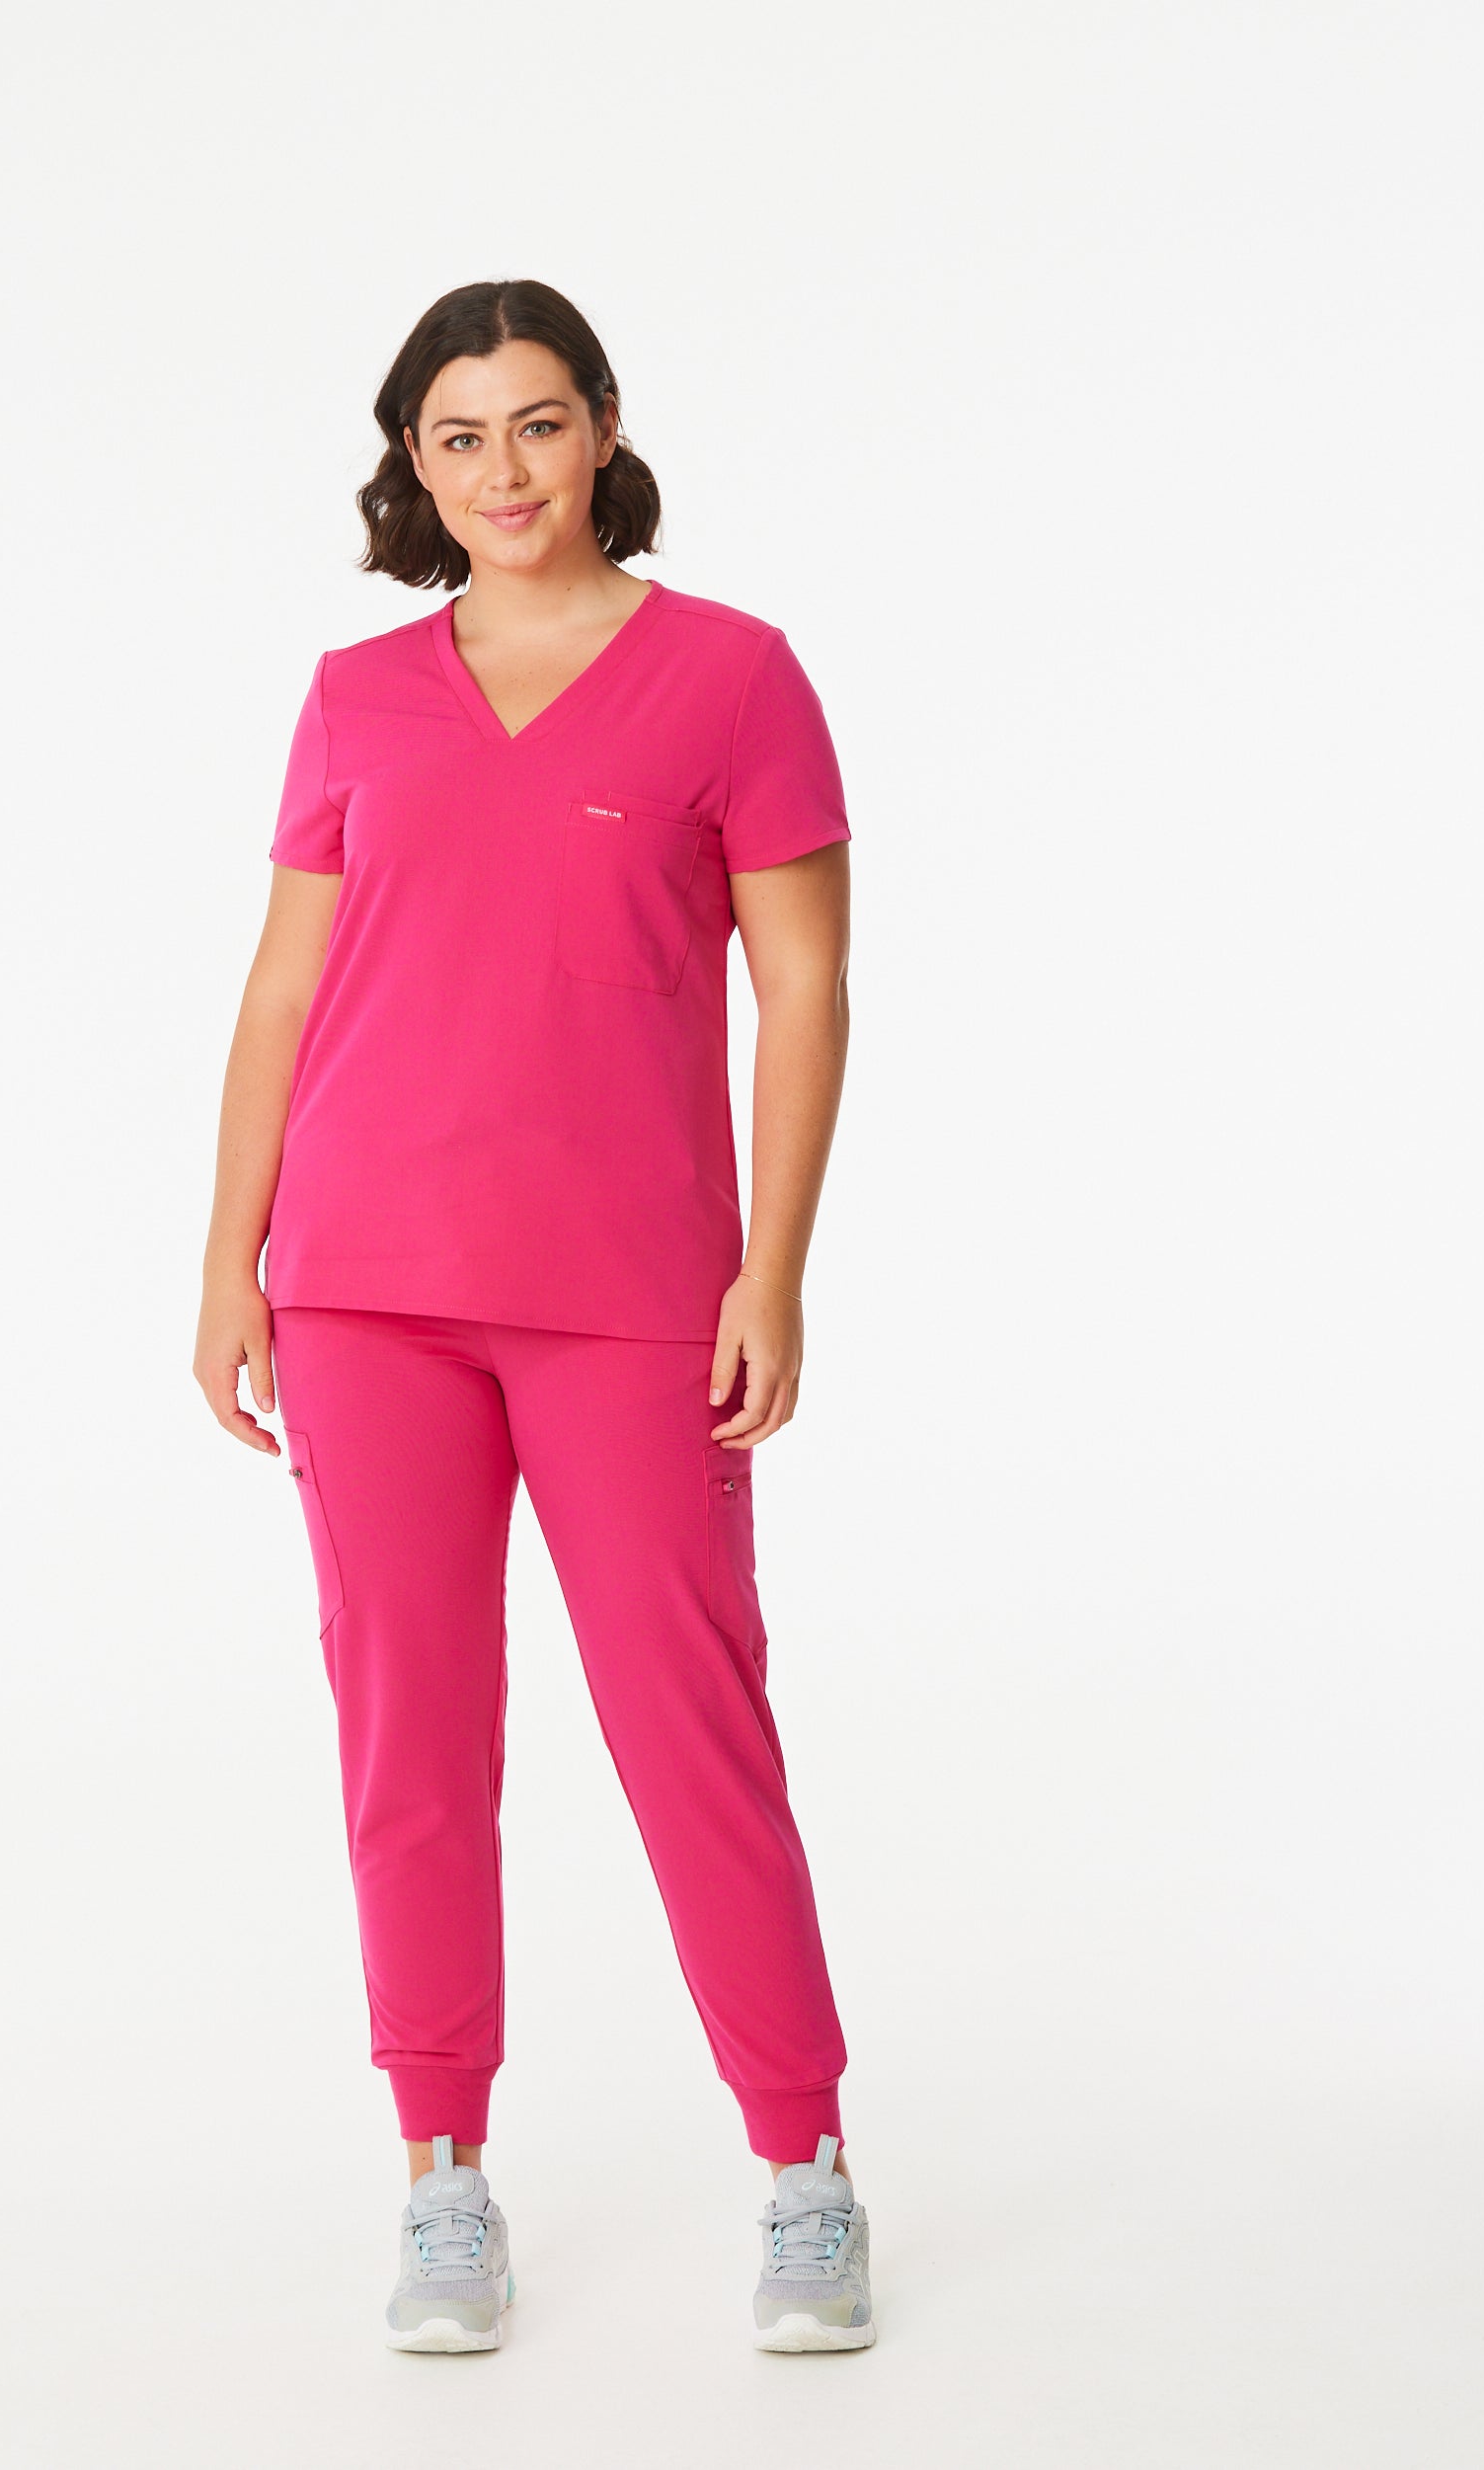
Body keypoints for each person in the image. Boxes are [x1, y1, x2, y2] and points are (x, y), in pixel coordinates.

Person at [194, 279, 872, 2354]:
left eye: (540, 423)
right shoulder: (357, 696)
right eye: (460, 436)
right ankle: (441, 2178)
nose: (503, 470)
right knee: (410, 1734)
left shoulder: (732, 677)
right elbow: (285, 987)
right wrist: (227, 1259)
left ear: (604, 432)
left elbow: (804, 987)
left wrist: (771, 1268)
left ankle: (804, 2167)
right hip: (366, 1287)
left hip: (630, 1300)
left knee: (690, 1723)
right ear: (414, 463)